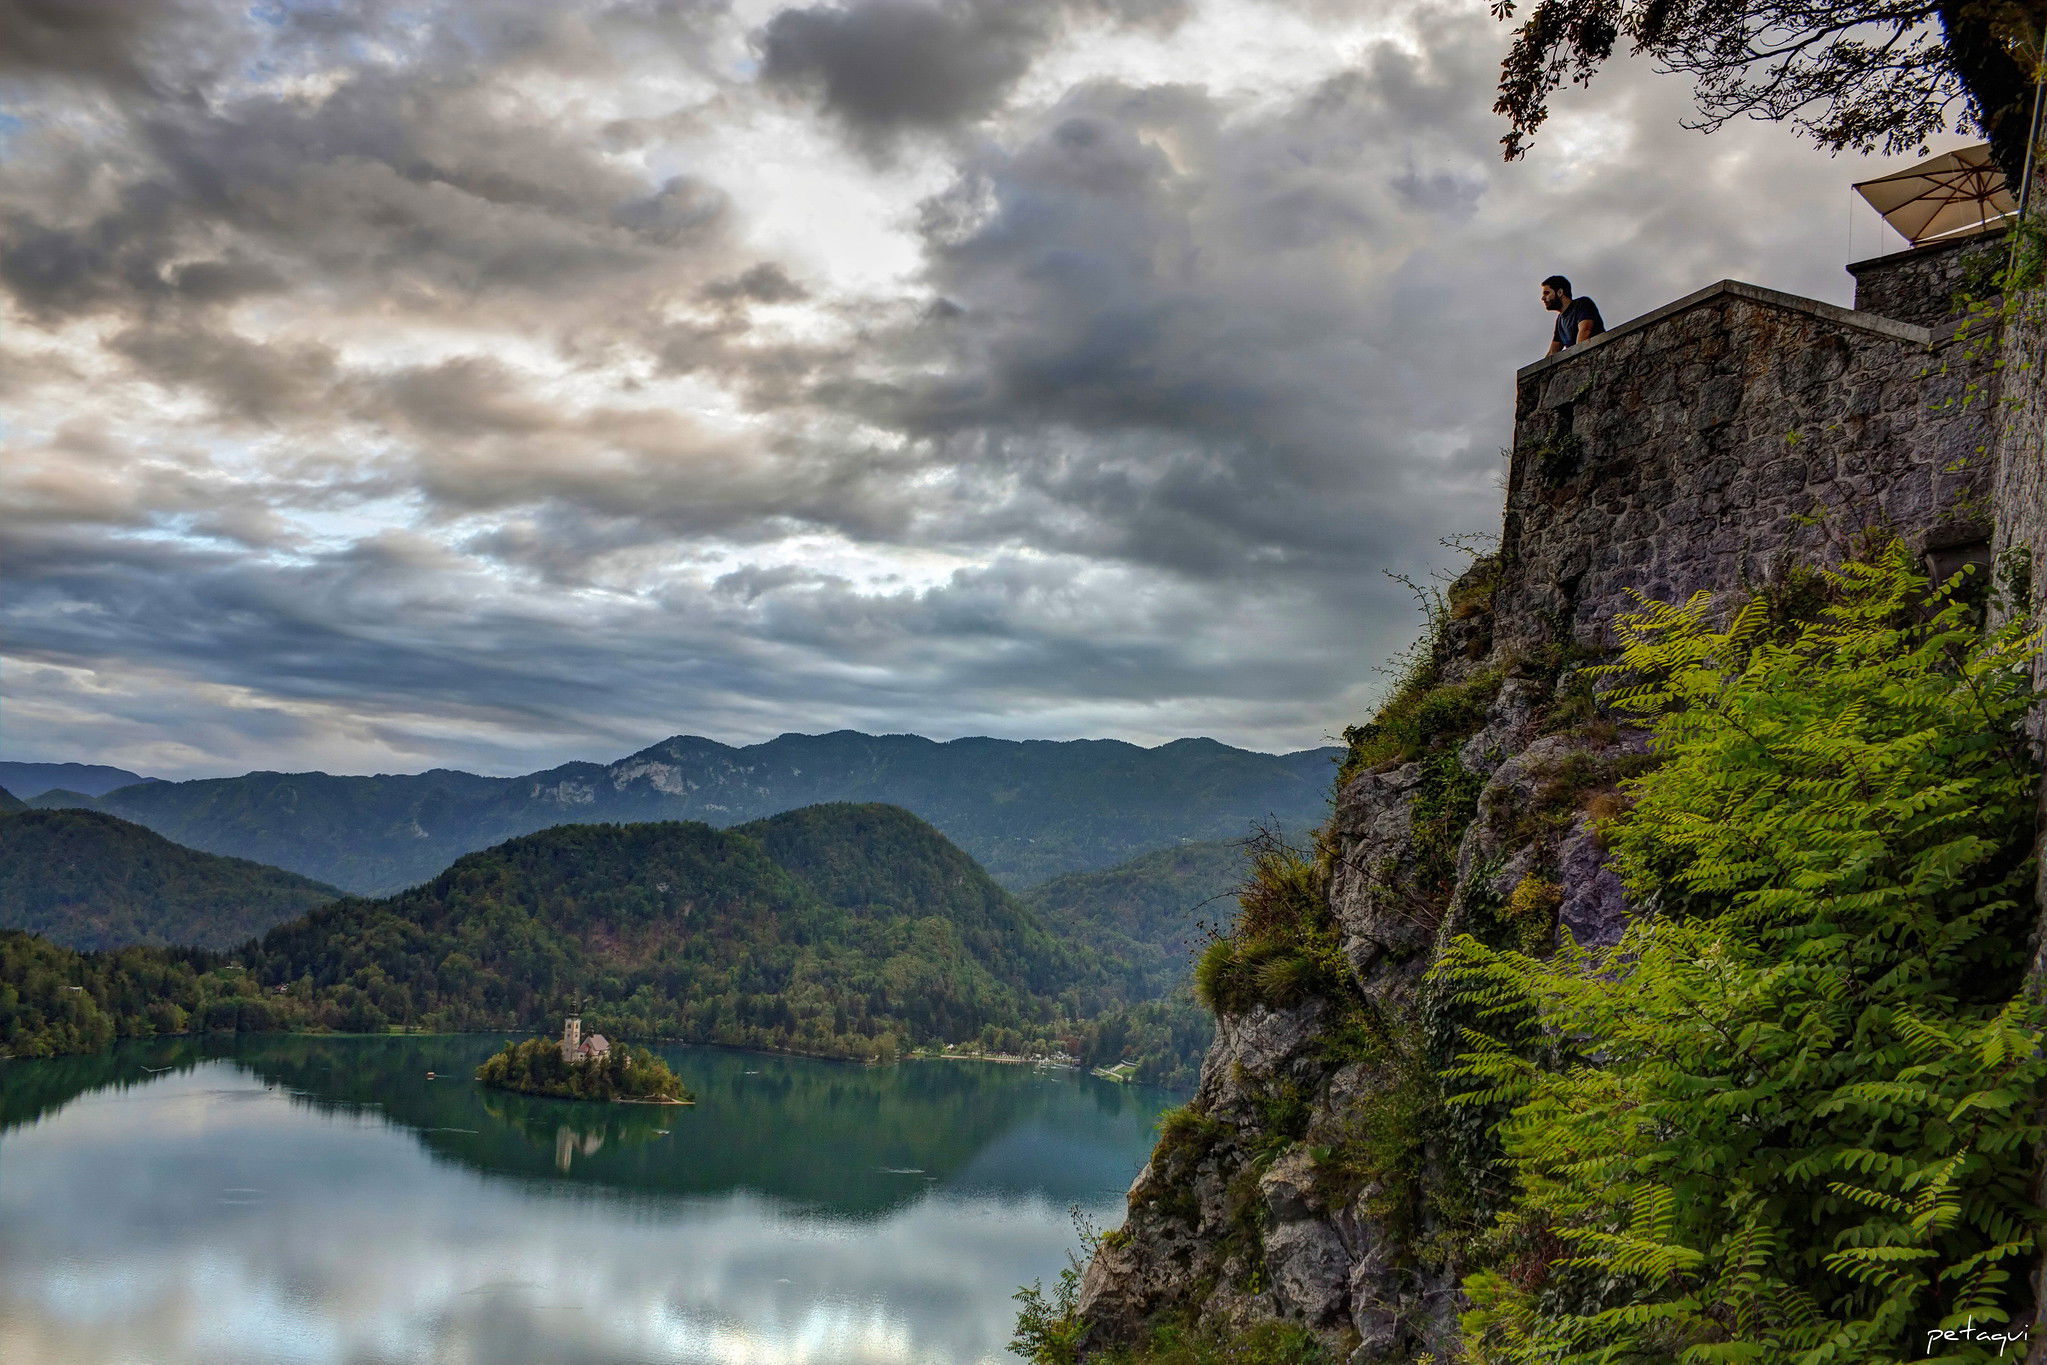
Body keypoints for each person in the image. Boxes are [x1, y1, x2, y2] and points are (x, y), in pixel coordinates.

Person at [1541, 275, 1605, 355]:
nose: (1543, 298)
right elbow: (1553, 351)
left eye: (1547, 293)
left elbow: (1585, 331)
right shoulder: (1560, 320)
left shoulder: (1582, 304)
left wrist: (1578, 358)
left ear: (1560, 292)